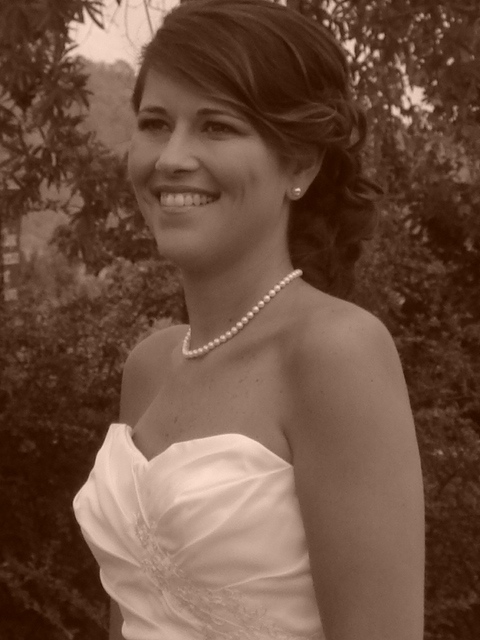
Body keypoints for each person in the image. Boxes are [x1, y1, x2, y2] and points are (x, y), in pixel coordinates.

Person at [73, 0, 425, 638]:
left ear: (301, 163)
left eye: (217, 126)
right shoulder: (149, 366)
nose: (171, 157)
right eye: (155, 123)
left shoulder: (336, 352)